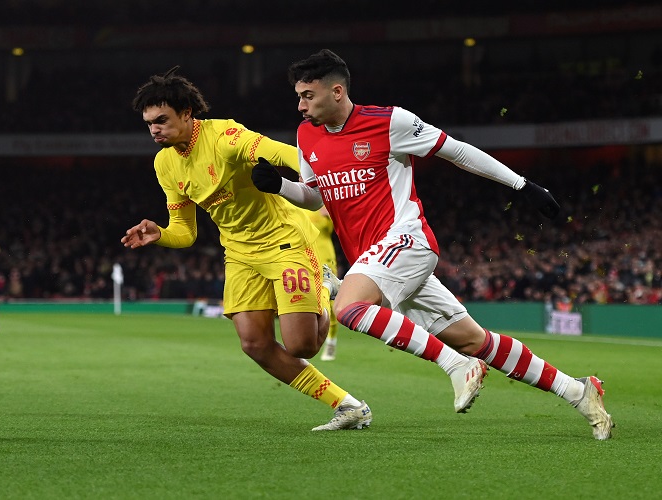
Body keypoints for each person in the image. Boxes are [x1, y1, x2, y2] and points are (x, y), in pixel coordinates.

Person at [251, 49, 614, 440]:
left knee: (349, 308)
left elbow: (456, 151)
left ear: (337, 91)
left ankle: (456, 366)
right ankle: (578, 391)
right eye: (299, 96)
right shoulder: (307, 135)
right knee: (475, 340)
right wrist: (281, 186)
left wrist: (521, 185)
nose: (300, 105)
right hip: (376, 260)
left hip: (406, 239)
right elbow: (316, 197)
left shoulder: (389, 122)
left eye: (308, 95)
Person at [123, 67, 420, 431]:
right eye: (149, 123)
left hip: (283, 242)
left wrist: (320, 182)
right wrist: (160, 234)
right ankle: (349, 406)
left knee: (301, 346)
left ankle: (325, 287)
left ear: (186, 113)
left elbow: (288, 154)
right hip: (239, 254)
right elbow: (185, 233)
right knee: (254, 343)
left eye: (161, 120)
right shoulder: (165, 163)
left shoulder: (225, 137)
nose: (154, 130)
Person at [306, 207, 340, 361]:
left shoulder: (326, 206)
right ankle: (308, 342)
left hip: (325, 259)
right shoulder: (296, 205)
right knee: (307, 301)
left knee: (329, 302)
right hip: (305, 258)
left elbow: (339, 228)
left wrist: (332, 213)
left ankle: (331, 342)